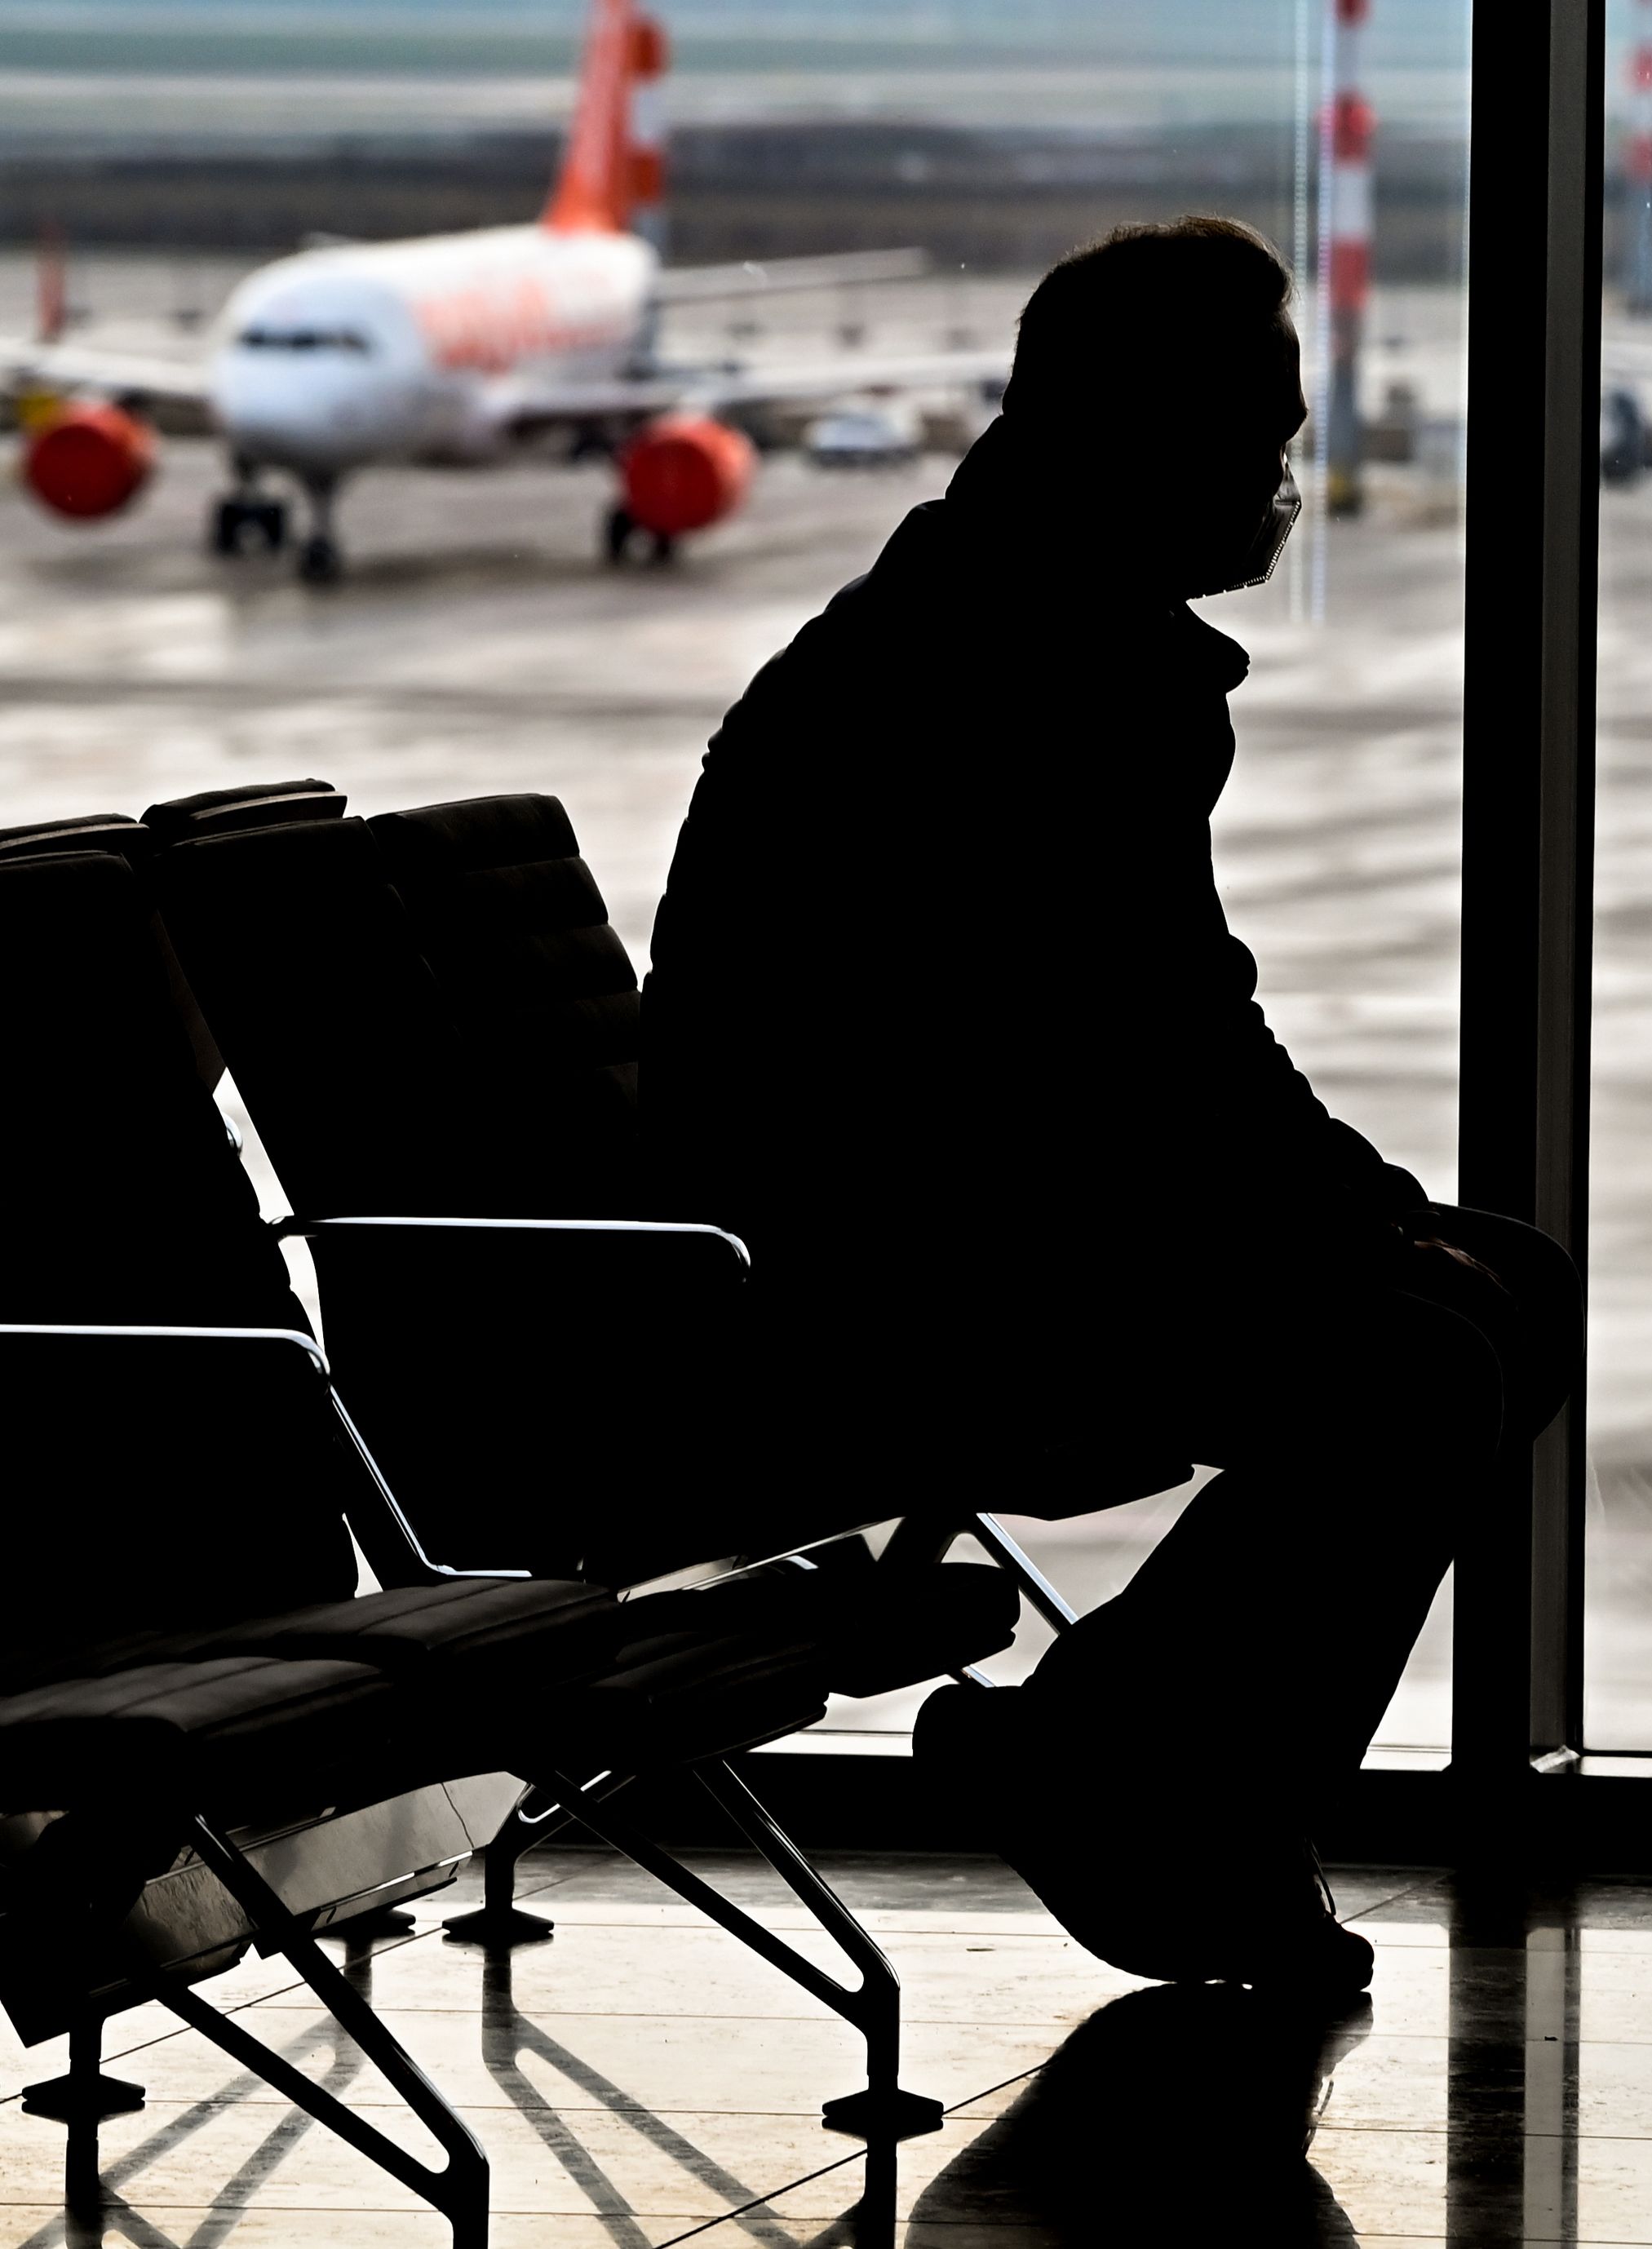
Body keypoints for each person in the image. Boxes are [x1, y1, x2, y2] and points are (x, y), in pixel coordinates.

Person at [641, 216, 1575, 1992]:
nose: (1277, 483)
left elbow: (1145, 1045)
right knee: (1429, 1353)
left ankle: (1135, 1763)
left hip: (953, 1201)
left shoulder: (1008, 622)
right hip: (876, 1259)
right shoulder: (1026, 672)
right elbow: (1124, 1054)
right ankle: (1159, 1790)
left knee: (1492, 1288)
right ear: (1144, 439)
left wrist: (1368, 1214)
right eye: (1255, 443)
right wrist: (1363, 1228)